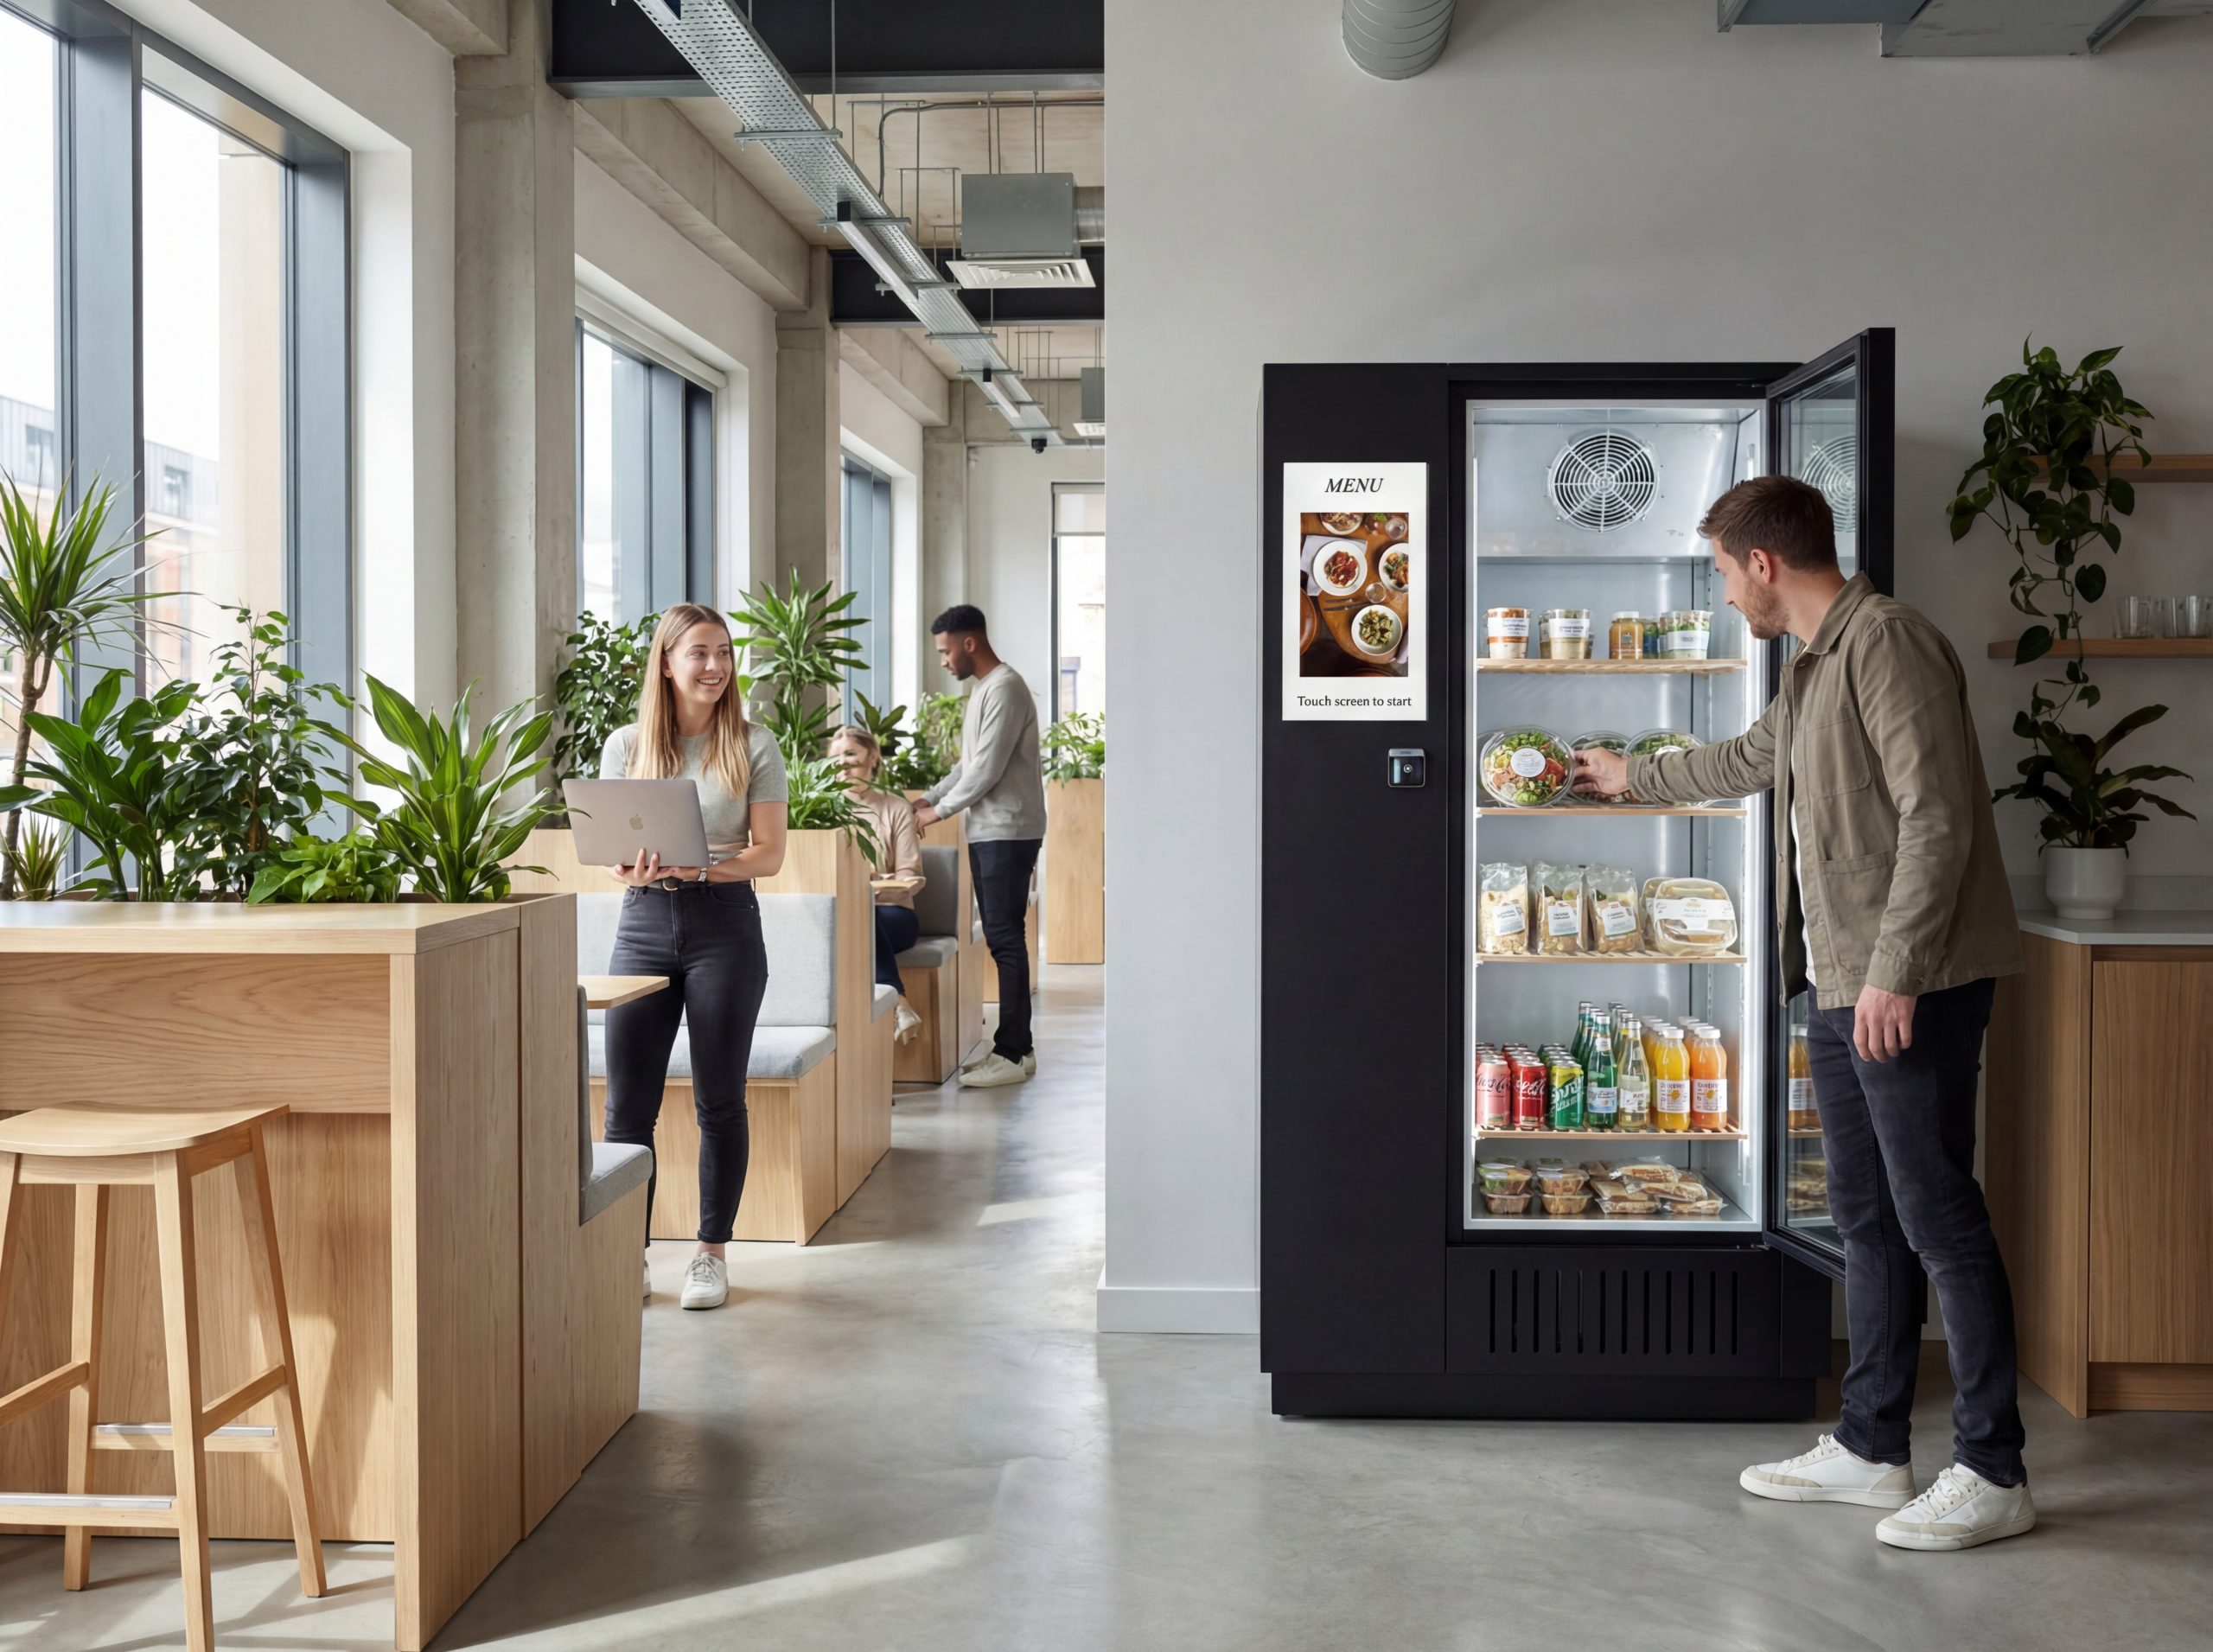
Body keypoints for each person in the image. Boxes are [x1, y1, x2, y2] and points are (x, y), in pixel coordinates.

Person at [1574, 475, 2030, 1553]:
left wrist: (1894, 973)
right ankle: (1873, 1446)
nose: (1730, 597)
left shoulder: (1889, 644)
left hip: (1904, 981)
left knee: (1937, 1216)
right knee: (1866, 1217)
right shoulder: (1812, 665)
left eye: (1728, 575)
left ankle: (1993, 1468)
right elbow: (1745, 761)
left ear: (1763, 565)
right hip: (1841, 978)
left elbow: (1938, 818)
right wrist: (1626, 774)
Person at [598, 603, 787, 1312]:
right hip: (643, 922)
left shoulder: (753, 744)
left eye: (724, 652)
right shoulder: (627, 746)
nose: (716, 666)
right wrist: (632, 869)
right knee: (626, 1108)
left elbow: (769, 854)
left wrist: (700, 868)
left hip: (724, 927)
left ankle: (710, 1252)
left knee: (719, 1100)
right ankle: (628, 1251)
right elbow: (613, 850)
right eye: (701, 653)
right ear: (667, 662)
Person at [911, 604, 1047, 1088]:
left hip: (1007, 832)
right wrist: (926, 798)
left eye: (947, 651)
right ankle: (1019, 1048)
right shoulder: (985, 691)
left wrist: (938, 813)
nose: (944, 662)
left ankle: (1010, 1053)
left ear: (969, 643)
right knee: (1003, 937)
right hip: (992, 832)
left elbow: (986, 771)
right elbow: (968, 766)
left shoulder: (1005, 688)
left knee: (1005, 938)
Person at [827, 724, 927, 1047]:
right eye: (836, 757)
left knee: (861, 919)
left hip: (894, 915)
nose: (843, 763)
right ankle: (898, 1003)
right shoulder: (822, 811)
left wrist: (868, 884)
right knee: (853, 921)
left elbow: (910, 875)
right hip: (845, 919)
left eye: (851, 754)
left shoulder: (895, 807)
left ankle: (895, 1002)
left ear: (872, 757)